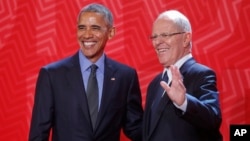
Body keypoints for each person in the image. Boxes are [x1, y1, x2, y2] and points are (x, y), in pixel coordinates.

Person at [29, 3, 143, 141]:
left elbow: (135, 128)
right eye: (82, 28)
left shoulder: (125, 77)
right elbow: (39, 133)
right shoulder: (52, 75)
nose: (87, 35)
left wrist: (174, 110)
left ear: (111, 32)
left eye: (95, 28)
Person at [142, 10, 222, 141]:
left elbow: (213, 118)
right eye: (154, 37)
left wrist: (184, 102)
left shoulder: (202, 75)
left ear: (186, 38)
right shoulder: (155, 83)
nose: (157, 42)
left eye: (165, 35)